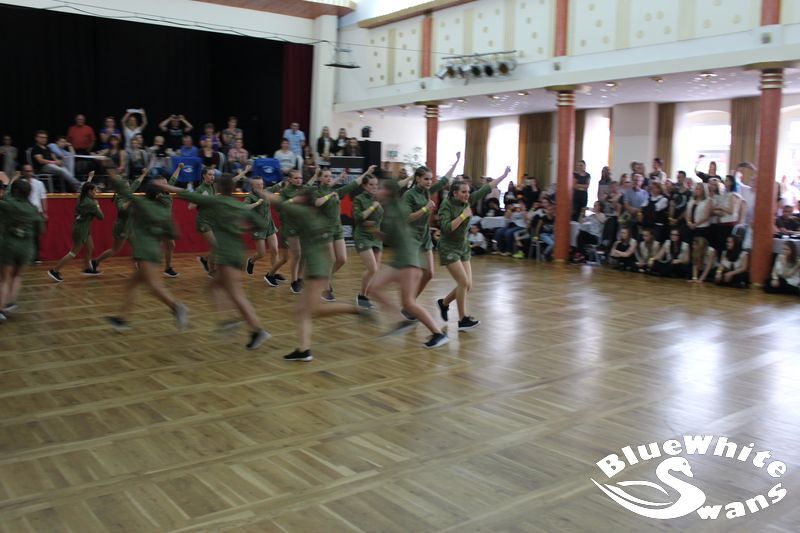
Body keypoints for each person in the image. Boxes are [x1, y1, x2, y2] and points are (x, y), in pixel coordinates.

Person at [155, 175, 272, 348]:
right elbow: (261, 224)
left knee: (237, 295)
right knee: (213, 287)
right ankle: (230, 319)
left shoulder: (215, 201)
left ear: (219, 188)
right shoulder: (238, 205)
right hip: (235, 252)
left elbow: (185, 193)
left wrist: (163, 186)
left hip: (226, 254)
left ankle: (257, 330)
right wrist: (242, 228)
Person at [265, 190, 367, 362]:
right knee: (301, 310)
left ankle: (354, 310)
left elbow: (280, 203)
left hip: (315, 270)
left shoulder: (306, 215)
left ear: (304, 200)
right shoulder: (321, 218)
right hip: (319, 268)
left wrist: (260, 190)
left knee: (312, 310)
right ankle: (304, 350)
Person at [362, 178, 449, 348]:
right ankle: (401, 320)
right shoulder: (389, 208)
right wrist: (374, 230)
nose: (377, 190)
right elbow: (392, 237)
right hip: (400, 259)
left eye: (380, 188)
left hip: (409, 260)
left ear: (388, 192)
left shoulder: (396, 209)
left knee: (408, 302)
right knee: (373, 289)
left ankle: (438, 333)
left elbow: (392, 236)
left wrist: (373, 229)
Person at [102, 170, 188, 332]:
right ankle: (122, 319)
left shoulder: (142, 203)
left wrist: (111, 172)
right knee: (132, 285)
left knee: (154, 286)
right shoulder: (164, 209)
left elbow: (125, 191)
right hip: (154, 250)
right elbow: (174, 234)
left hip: (143, 251)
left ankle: (176, 307)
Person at [436, 167, 506, 331]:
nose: (467, 194)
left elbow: (487, 188)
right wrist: (463, 216)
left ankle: (444, 303)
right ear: (455, 193)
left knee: (468, 285)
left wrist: (503, 175)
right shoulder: (446, 206)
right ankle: (462, 319)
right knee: (463, 282)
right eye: (463, 192)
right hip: (448, 247)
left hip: (463, 246)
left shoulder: (467, 201)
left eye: (468, 192)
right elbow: (446, 228)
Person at [401, 154, 461, 318]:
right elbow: (406, 218)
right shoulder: (409, 195)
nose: (429, 182)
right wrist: (425, 209)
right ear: (417, 179)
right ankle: (409, 304)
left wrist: (456, 162)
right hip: (411, 238)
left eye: (430, 179)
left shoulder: (427, 191)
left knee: (429, 274)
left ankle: (410, 304)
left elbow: (444, 180)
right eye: (426, 179)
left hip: (425, 236)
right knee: (413, 274)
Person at [309, 165, 377, 302]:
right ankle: (325, 289)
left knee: (342, 259)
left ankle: (324, 278)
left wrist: (367, 172)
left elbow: (353, 184)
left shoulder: (335, 191)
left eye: (330, 176)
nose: (329, 178)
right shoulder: (317, 192)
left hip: (337, 229)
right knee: (331, 259)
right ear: (320, 178)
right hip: (325, 230)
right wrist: (330, 195)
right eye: (326, 176)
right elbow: (317, 203)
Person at [90, 166, 151, 273]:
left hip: (129, 227)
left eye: (128, 186)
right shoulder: (119, 198)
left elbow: (137, 182)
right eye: (126, 186)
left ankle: (139, 269)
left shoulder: (128, 193)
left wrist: (144, 174)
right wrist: (131, 201)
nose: (129, 187)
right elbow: (121, 208)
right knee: (114, 250)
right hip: (121, 228)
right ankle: (95, 262)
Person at [0, 176, 44, 320]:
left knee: (4, 279)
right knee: (17, 276)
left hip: (9, 245)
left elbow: (5, 199)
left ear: (15, 191)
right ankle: (10, 303)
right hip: (27, 247)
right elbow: (40, 229)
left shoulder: (9, 204)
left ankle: (0, 309)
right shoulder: (33, 209)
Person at [47, 172, 102, 281]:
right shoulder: (90, 203)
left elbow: (85, 187)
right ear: (89, 192)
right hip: (81, 229)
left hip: (84, 228)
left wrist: (90, 177)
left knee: (90, 247)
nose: (96, 192)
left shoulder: (81, 197)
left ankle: (87, 268)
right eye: (95, 190)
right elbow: (101, 217)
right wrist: (97, 204)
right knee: (73, 253)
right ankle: (54, 270)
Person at [242, 169, 285, 284]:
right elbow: (243, 207)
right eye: (257, 185)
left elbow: (277, 187)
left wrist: (286, 181)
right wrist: (257, 203)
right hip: (258, 227)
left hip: (269, 224)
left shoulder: (266, 192)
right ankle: (251, 261)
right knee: (261, 253)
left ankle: (274, 273)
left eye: (261, 184)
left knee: (275, 250)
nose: (260, 187)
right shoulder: (250, 197)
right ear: (252, 186)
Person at [353, 173, 384, 309]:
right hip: (363, 236)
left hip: (375, 237)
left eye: (376, 185)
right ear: (365, 186)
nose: (374, 187)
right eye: (371, 185)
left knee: (375, 271)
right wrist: (373, 207)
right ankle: (361, 296)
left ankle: (364, 296)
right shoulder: (359, 199)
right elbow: (359, 218)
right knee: (373, 268)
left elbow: (378, 219)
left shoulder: (378, 198)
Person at [276, 169, 306, 293]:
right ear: (290, 179)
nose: (299, 180)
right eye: (296, 178)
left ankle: (300, 278)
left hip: (303, 227)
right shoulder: (284, 193)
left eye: (300, 178)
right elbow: (280, 209)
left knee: (304, 254)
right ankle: (294, 282)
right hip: (290, 227)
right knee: (297, 254)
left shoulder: (304, 190)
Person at [192, 168, 217, 276]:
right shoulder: (200, 189)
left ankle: (204, 260)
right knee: (215, 246)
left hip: (212, 220)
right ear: (204, 176)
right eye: (210, 174)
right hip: (203, 222)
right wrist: (201, 198)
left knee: (216, 246)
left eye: (213, 175)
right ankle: (212, 271)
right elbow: (190, 206)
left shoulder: (212, 187)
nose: (212, 177)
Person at [20, 165, 47, 263]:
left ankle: (36, 257)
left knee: (36, 235)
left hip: (36, 211)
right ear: (23, 172)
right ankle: (24, 256)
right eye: (26, 171)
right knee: (24, 234)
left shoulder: (39, 183)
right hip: (24, 211)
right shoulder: (20, 183)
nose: (28, 173)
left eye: (30, 171)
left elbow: (43, 197)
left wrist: (44, 212)